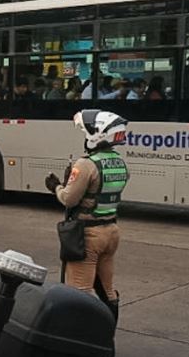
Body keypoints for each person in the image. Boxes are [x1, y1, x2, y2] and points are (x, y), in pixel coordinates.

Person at [46, 109, 129, 323]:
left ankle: (80, 342)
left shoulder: (86, 164)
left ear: (96, 135)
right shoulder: (120, 163)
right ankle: (107, 340)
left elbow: (69, 199)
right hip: (111, 232)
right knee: (107, 290)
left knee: (79, 293)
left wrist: (56, 186)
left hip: (89, 235)